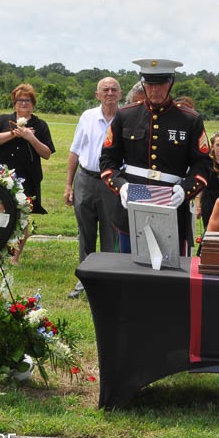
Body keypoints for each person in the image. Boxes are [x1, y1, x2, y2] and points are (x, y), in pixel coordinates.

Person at [100, 59, 209, 255]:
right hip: (133, 199)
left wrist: (185, 190)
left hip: (171, 200)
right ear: (143, 84)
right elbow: (108, 161)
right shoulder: (126, 115)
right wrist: (121, 186)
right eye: (150, 84)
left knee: (169, 267)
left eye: (161, 84)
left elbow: (202, 165)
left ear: (171, 83)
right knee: (127, 265)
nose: (155, 90)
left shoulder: (189, 119)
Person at [64, 77, 122, 299]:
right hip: (85, 180)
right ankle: (85, 283)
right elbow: (74, 151)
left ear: (120, 94)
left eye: (114, 90)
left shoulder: (126, 118)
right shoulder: (87, 117)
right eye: (105, 90)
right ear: (97, 94)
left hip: (112, 183)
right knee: (85, 234)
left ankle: (106, 283)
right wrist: (68, 185)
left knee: (110, 235)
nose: (110, 93)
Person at [0, 83, 55, 264]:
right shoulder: (3, 120)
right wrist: (13, 134)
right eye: (20, 100)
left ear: (33, 104)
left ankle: (14, 257)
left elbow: (47, 153)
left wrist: (31, 138)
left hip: (27, 176)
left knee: (22, 216)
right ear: (14, 103)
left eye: (28, 100)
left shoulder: (40, 125)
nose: (24, 103)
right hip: (1, 174)